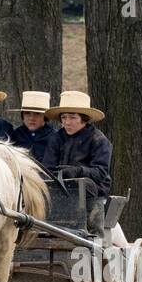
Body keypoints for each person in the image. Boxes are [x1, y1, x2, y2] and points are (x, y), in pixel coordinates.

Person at [42, 90, 112, 232]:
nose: (67, 122)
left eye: (72, 117)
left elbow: (101, 173)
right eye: (64, 117)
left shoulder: (98, 140)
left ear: (84, 118)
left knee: (82, 185)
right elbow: (47, 167)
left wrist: (78, 171)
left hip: (93, 192)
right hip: (60, 189)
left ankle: (94, 235)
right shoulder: (56, 138)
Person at [9, 90, 57, 166]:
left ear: (45, 116)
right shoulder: (16, 135)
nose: (31, 118)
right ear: (22, 116)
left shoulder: (54, 137)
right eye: (27, 113)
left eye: (37, 114)